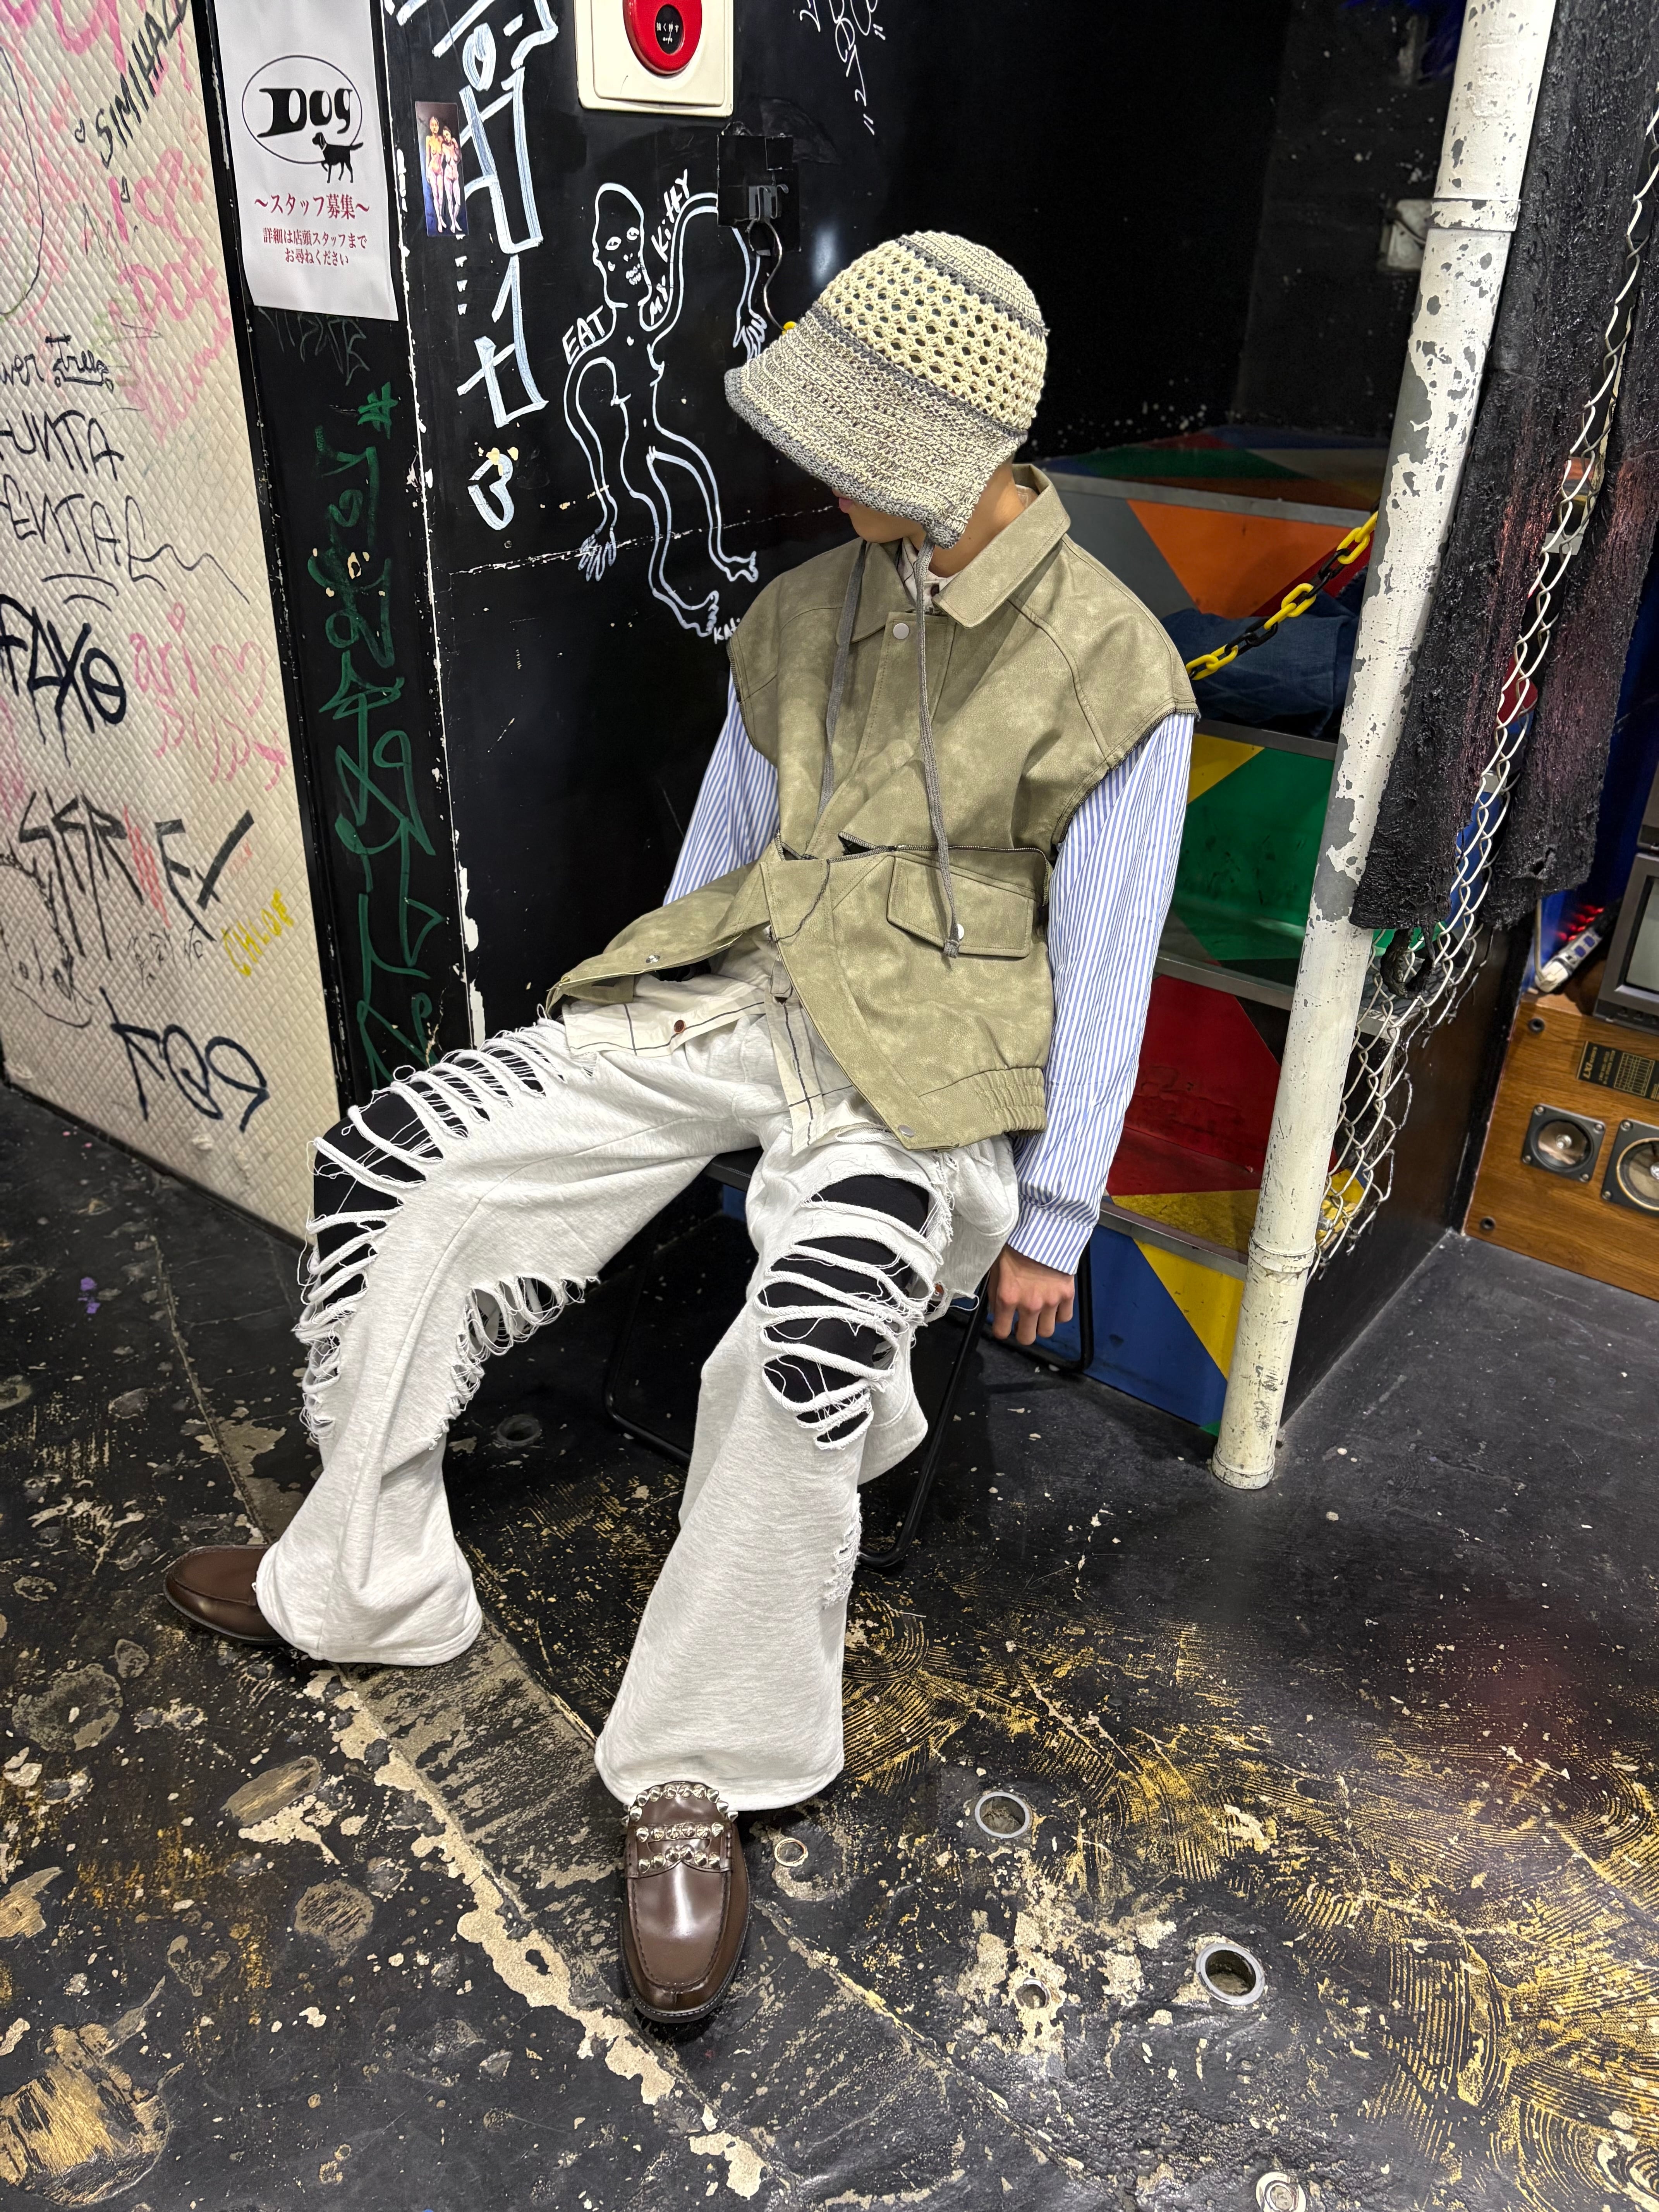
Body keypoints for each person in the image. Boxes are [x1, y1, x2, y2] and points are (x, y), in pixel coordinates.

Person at [163, 234, 1195, 2029]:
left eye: (857, 452)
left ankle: (700, 1768)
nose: (824, 479)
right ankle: (363, 1579)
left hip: (931, 1062)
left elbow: (1108, 961)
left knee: (812, 1333)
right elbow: (721, 855)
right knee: (416, 1156)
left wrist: (1054, 1218)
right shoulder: (801, 615)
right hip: (743, 994)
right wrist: (634, 1055)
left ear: (957, 457)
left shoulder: (1115, 671)